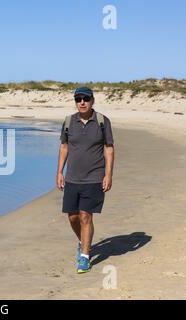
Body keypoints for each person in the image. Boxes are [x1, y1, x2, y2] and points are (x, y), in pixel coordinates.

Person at [56, 87, 115, 273]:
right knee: (72, 217)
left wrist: (108, 174)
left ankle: (85, 257)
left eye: (86, 99)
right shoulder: (68, 121)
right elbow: (64, 147)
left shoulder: (102, 122)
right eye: (78, 99)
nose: (82, 102)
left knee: (85, 216)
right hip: (72, 178)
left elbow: (109, 149)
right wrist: (59, 172)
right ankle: (83, 241)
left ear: (92, 101)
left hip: (94, 178)